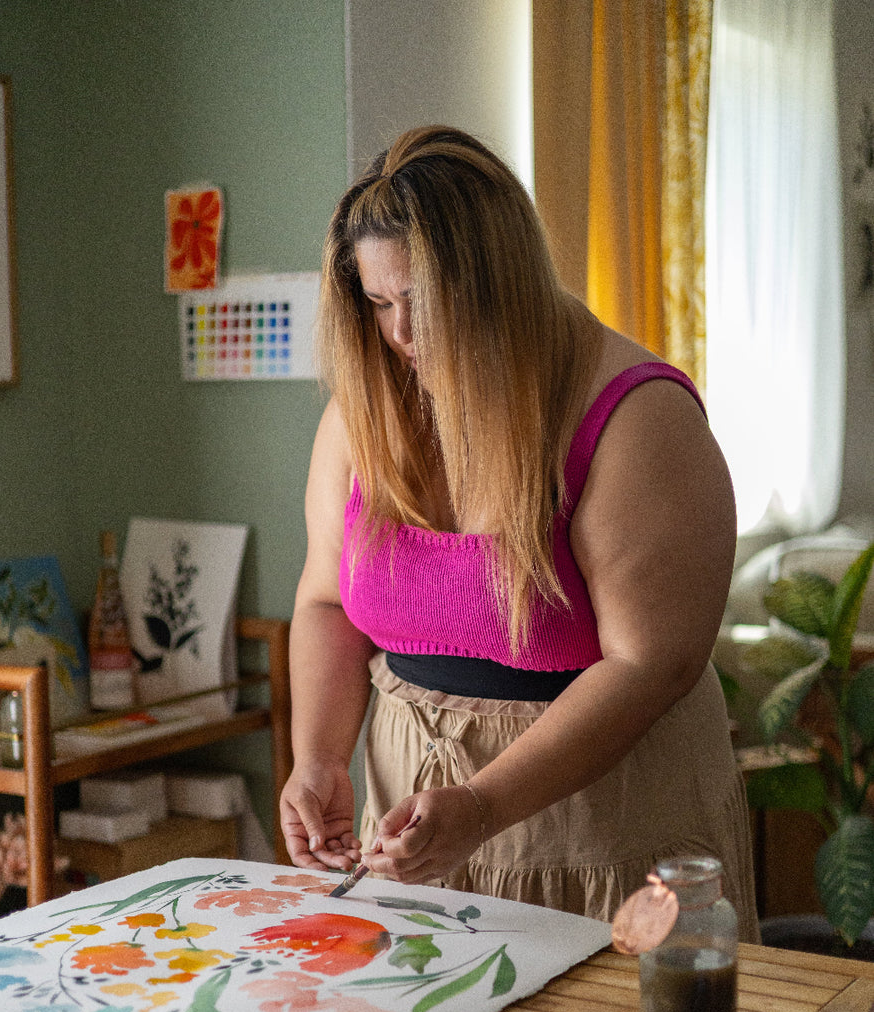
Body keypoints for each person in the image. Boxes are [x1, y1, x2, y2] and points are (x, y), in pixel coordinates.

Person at [280, 125, 760, 942]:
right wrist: (320, 755)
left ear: (499, 283)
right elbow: (328, 599)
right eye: (378, 302)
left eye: (421, 302)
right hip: (415, 817)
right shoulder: (366, 410)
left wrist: (483, 805)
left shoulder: (637, 421)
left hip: (603, 830)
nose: (398, 335)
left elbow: (653, 663)